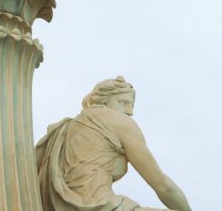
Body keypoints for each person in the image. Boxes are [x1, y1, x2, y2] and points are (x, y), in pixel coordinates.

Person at [35, 76, 192, 211]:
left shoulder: (67, 127)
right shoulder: (118, 121)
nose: (130, 111)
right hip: (100, 205)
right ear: (105, 100)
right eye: (123, 102)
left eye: (132, 105)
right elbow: (162, 185)